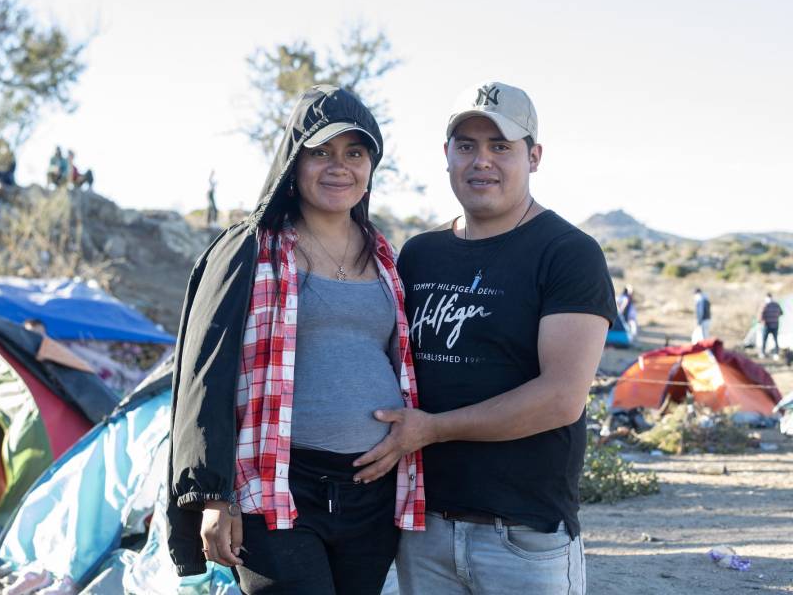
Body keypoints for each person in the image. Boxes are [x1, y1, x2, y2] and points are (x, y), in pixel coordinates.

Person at [351, 81, 616, 594]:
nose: (481, 161)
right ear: (446, 155)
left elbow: (561, 398)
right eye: (467, 146)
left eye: (501, 146)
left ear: (534, 156)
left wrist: (431, 429)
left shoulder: (568, 253)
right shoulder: (419, 254)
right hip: (421, 529)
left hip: (524, 535)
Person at [168, 85, 425, 595]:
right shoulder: (249, 247)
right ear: (294, 160)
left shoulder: (386, 257)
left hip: (371, 494)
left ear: (371, 166)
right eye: (321, 152)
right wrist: (213, 496)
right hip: (275, 488)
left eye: (355, 152)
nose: (339, 166)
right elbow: (204, 373)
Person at [758, 293, 783, 360]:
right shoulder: (776, 304)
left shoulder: (765, 305)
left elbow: (760, 316)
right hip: (774, 324)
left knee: (765, 340)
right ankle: (775, 353)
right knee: (774, 340)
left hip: (767, 325)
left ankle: (763, 353)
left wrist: (761, 321)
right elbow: (781, 313)